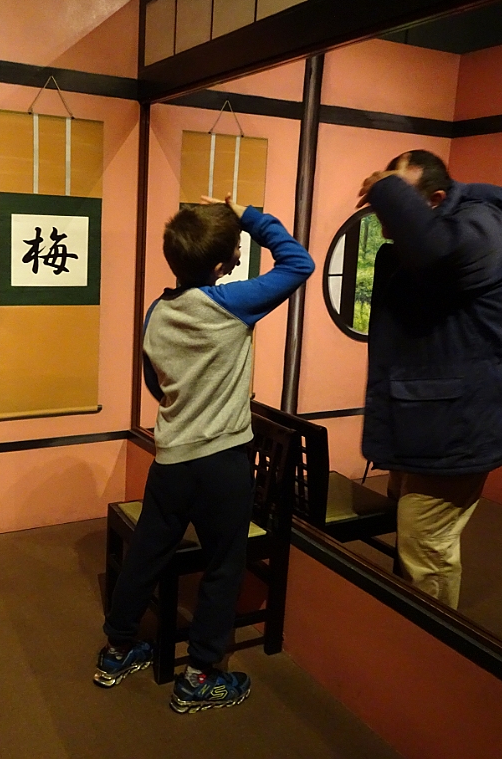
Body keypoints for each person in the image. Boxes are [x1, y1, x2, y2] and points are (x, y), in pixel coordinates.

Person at [94, 194, 314, 713]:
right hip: (223, 462)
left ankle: (117, 650)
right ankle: (200, 676)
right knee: (223, 566)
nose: (239, 257)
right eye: (235, 250)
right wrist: (248, 215)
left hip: (171, 458)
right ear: (219, 266)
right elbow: (299, 263)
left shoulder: (156, 312)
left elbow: (156, 384)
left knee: (147, 554)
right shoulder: (233, 302)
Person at [356, 150, 502, 609]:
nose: (384, 211)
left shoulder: (482, 225)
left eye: (398, 196)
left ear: (435, 199)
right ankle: (406, 625)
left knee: (426, 546)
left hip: (460, 426)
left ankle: (427, 644)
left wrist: (385, 188)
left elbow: (436, 251)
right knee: (413, 536)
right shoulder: (438, 229)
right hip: (425, 418)